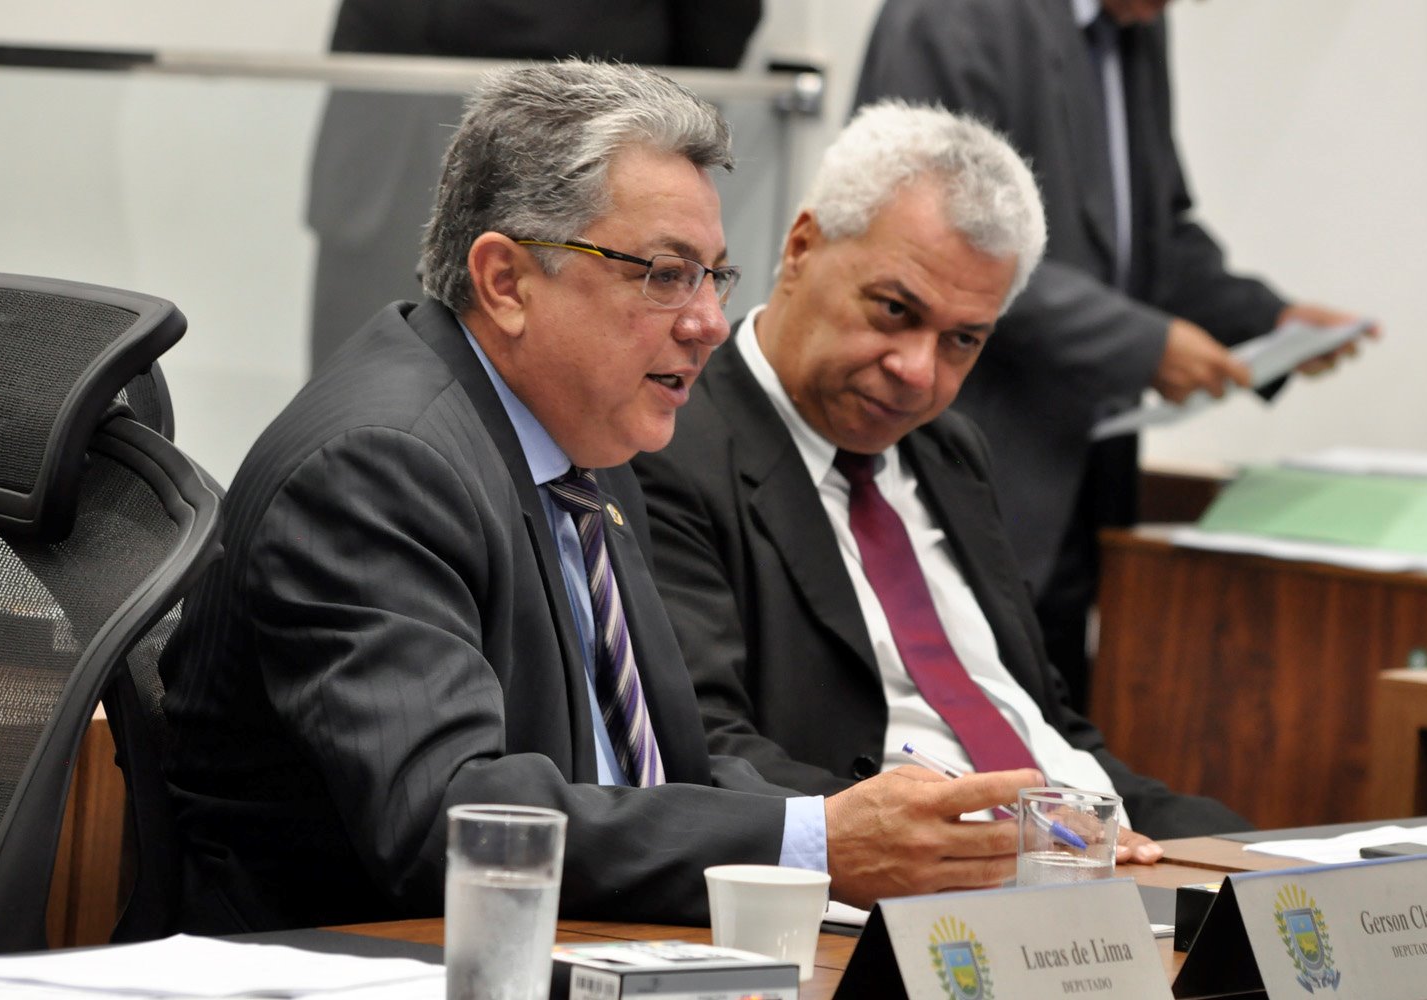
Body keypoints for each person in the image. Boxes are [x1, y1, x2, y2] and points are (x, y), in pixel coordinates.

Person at [161, 60, 1049, 936]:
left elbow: (658, 773)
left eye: (713, 276)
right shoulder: (381, 465)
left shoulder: (586, 442)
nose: (708, 323)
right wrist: (814, 842)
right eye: (664, 274)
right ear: (506, 281)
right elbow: (452, 821)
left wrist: (853, 824)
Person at [631, 99, 1250, 842]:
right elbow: (708, 750)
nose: (919, 373)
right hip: (894, 867)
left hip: (1075, 849)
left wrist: (1204, 843)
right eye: (895, 310)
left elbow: (1041, 720)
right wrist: (993, 847)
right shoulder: (671, 444)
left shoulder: (949, 449)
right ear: (801, 247)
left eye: (962, 340)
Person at [852, 0, 1372, 710]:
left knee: (1054, 729)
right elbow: (941, 245)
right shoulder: (953, 16)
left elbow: (1155, 233)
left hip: (1088, 478)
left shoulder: (1135, 26)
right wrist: (1147, 346)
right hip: (966, 465)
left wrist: (1268, 321)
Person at [307, 0, 764, 369]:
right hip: (375, 149)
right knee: (354, 385)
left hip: (577, 158)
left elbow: (716, 27)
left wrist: (648, 125)